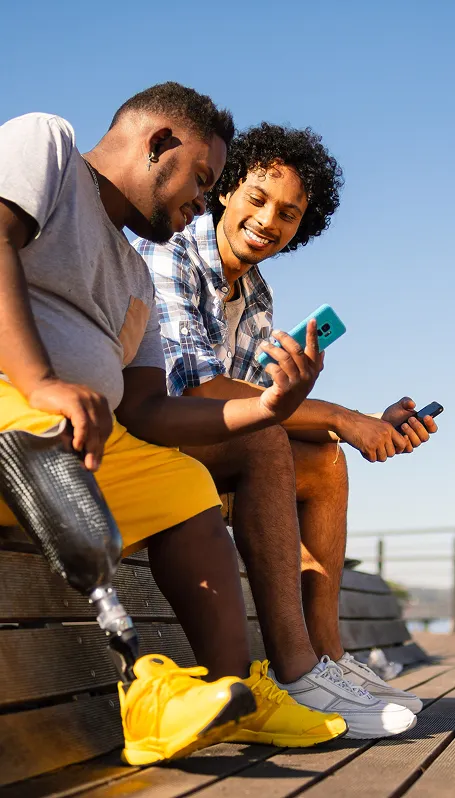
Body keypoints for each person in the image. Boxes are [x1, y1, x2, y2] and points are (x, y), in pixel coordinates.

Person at [0, 85, 351, 766]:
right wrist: (42, 379)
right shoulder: (49, 146)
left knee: (183, 484)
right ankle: (140, 678)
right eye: (202, 179)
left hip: (80, 443)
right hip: (17, 411)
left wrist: (269, 409)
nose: (202, 200)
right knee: (43, 421)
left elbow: (150, 408)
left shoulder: (135, 276)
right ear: (158, 142)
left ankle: (231, 697)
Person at [137, 122, 437, 739]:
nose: (268, 220)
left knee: (324, 462)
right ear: (224, 191)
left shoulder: (256, 294)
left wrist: (359, 426)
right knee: (281, 437)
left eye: (289, 214)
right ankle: (296, 671)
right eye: (257, 198)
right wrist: (338, 417)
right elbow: (200, 393)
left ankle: (328, 661)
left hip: (206, 450)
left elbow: (259, 403)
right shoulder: (173, 254)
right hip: (140, 437)